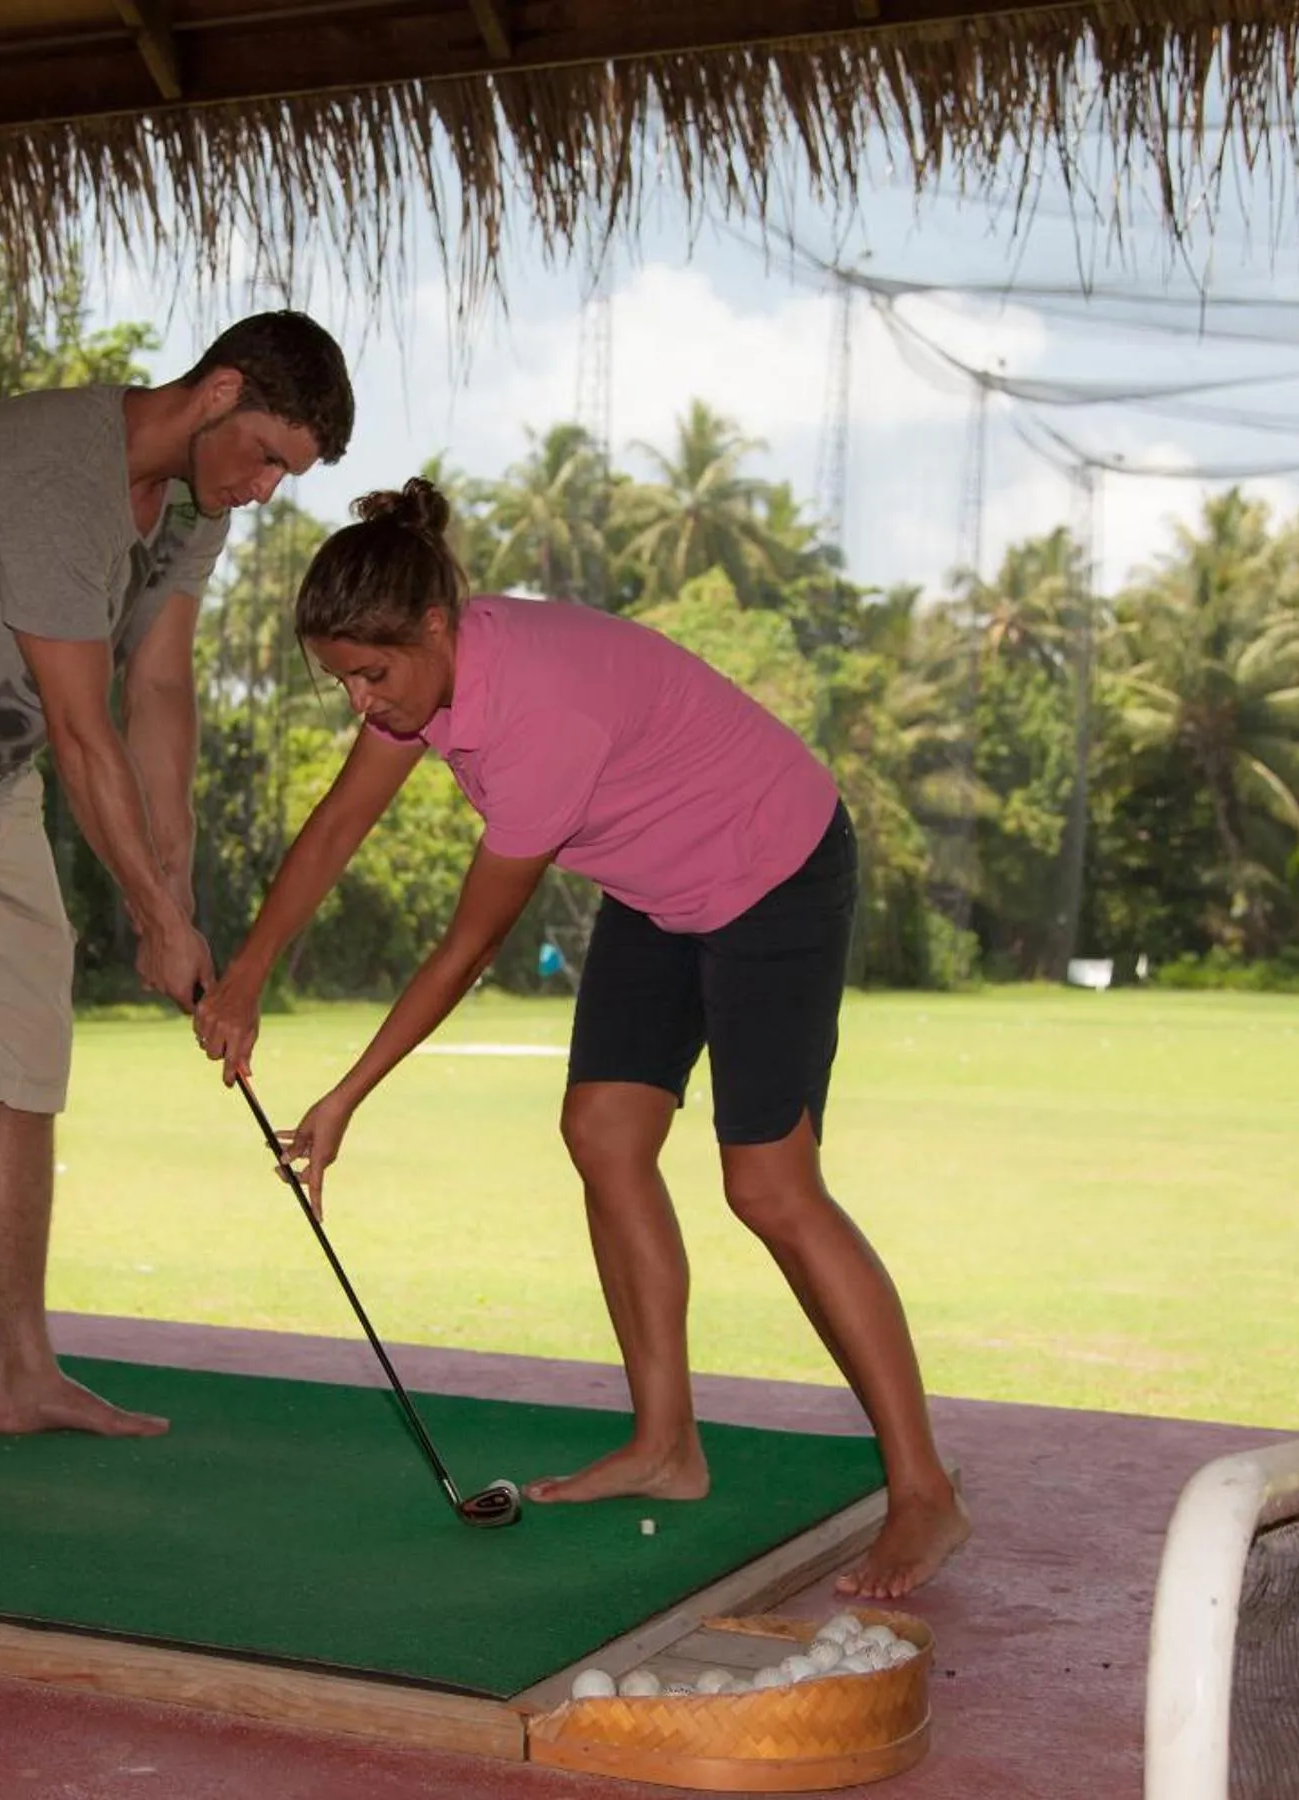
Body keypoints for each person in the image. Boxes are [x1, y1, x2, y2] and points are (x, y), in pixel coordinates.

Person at [194, 479, 969, 1598]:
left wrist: (347, 1095)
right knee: (605, 1130)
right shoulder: (424, 686)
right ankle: (665, 1447)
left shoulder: (535, 716)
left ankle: (925, 1493)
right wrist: (250, 975)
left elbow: (467, 949)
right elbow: (336, 827)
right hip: (660, 890)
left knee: (771, 1188)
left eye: (373, 675)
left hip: (771, 867)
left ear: (435, 626)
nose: (362, 703)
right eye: (343, 682)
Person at [0, 312, 354, 1496]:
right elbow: (88, 727)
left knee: (24, 1068)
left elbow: (159, 688)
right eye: (262, 456)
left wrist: (178, 877)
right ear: (218, 392)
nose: (259, 490)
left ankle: (21, 1373)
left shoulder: (193, 511)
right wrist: (153, 919)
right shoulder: (59, 470)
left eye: (282, 476)